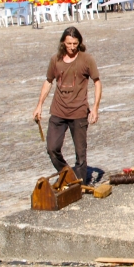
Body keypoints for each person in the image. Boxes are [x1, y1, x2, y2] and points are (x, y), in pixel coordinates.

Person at [33, 27, 101, 183]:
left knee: (80, 154)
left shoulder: (86, 59)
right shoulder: (55, 60)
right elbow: (48, 82)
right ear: (63, 42)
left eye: (75, 43)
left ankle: (80, 185)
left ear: (79, 43)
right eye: (69, 43)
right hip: (58, 111)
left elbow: (97, 82)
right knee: (52, 148)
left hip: (79, 113)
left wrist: (95, 108)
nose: (72, 47)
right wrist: (39, 105)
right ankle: (68, 175)